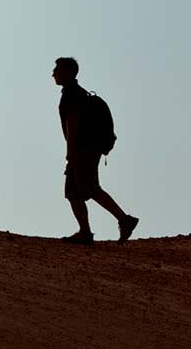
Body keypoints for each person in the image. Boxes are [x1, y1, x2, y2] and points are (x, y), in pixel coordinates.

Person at [53, 57, 138, 245]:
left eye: (57, 69)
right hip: (86, 148)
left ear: (68, 72)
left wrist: (70, 154)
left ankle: (124, 220)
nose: (53, 73)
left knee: (90, 188)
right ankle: (86, 232)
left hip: (83, 149)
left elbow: (72, 125)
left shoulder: (72, 95)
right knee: (73, 192)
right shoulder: (76, 93)